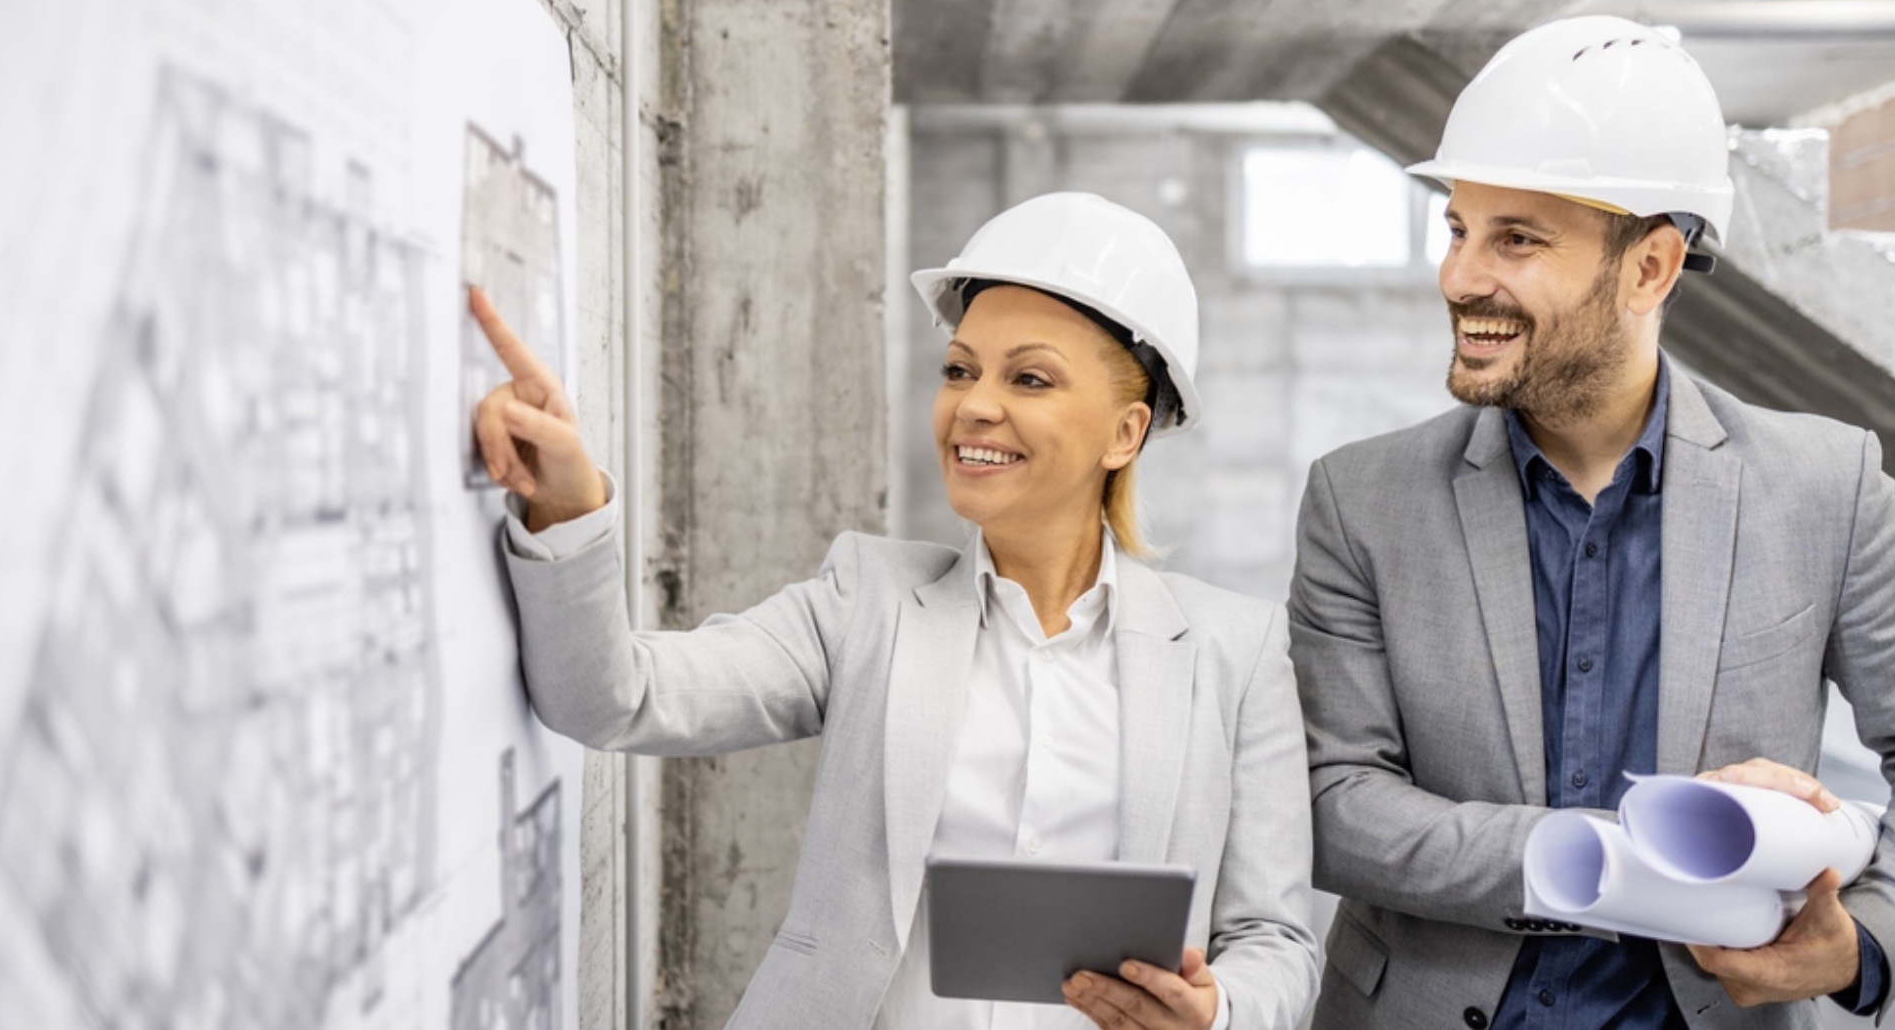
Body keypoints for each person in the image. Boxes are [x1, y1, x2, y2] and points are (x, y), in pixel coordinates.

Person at [1288, 16, 1895, 1030]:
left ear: (1650, 266)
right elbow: (1333, 801)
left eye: (1517, 238)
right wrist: (1647, 855)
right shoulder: (1359, 501)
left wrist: (1867, 933)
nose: (1460, 276)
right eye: (1458, 227)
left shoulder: (1822, 485)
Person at [470, 190, 1319, 1029]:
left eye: (1029, 377)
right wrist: (568, 511)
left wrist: (1220, 1011)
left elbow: (1275, 939)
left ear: (1125, 434)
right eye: (960, 369)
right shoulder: (865, 603)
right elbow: (613, 696)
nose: (975, 405)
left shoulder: (1234, 654)